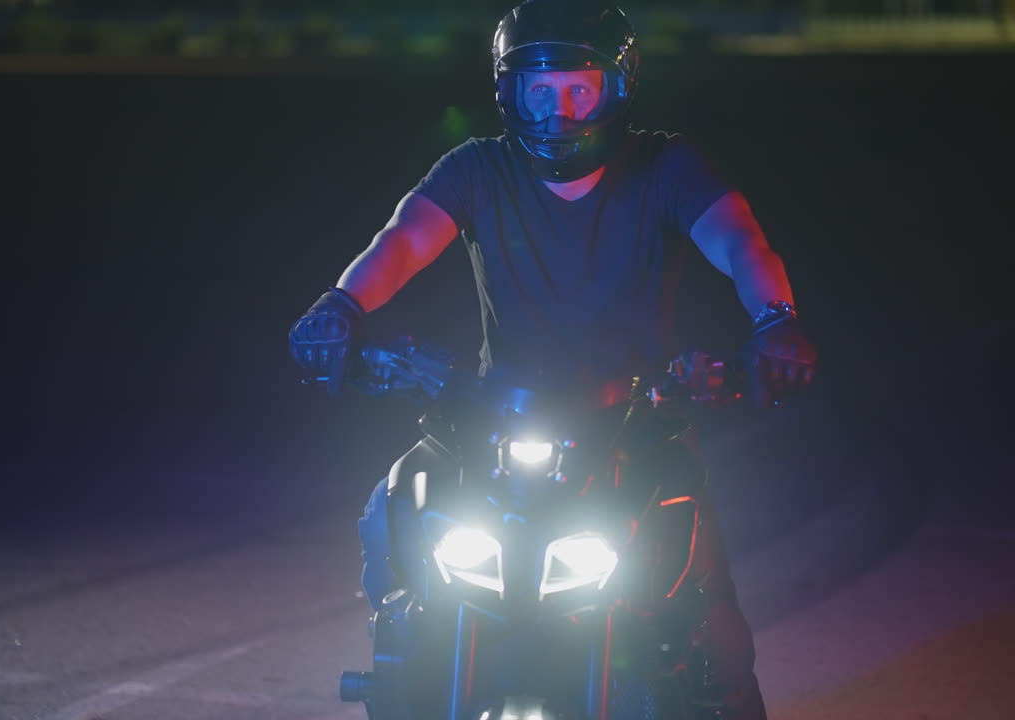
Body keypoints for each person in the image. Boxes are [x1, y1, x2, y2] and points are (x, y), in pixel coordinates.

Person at [289, 1, 816, 717]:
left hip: (639, 416)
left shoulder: (666, 165)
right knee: (397, 502)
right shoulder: (478, 168)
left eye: (578, 88)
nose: (557, 110)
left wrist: (775, 322)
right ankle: (405, 670)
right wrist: (342, 307)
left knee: (715, 629)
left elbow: (740, 242)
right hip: (494, 416)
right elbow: (403, 241)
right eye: (539, 89)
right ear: (509, 91)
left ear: (617, 86)